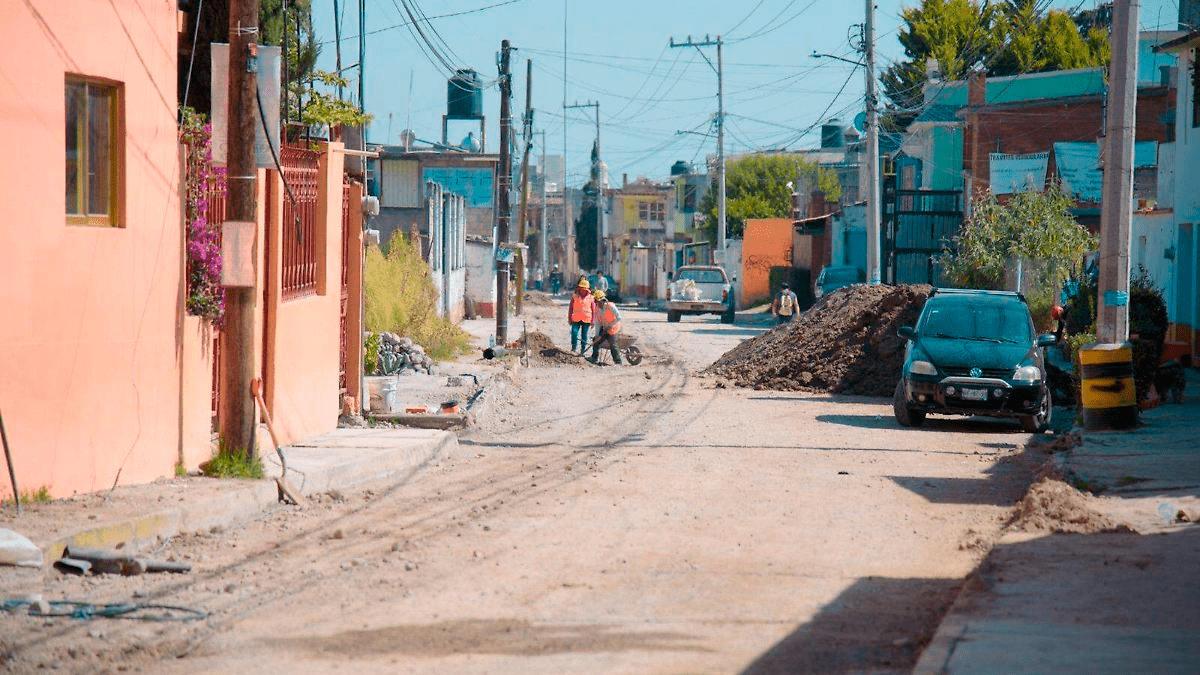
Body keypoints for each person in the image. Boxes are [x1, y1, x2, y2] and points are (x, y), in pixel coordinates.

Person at [588, 289, 623, 364]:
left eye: (598, 301)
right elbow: (597, 322)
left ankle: (618, 361)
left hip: (614, 328)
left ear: (603, 300)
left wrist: (610, 325)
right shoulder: (597, 309)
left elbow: (619, 317)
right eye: (596, 301)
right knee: (595, 341)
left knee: (612, 343)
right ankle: (594, 358)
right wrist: (597, 335)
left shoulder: (610, 306)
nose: (597, 303)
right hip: (604, 328)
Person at [567, 278, 597, 354]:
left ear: (588, 290)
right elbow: (571, 308)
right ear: (579, 289)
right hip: (576, 319)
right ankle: (574, 347)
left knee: (584, 335)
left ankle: (582, 350)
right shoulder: (574, 297)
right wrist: (570, 318)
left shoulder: (591, 298)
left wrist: (593, 321)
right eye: (581, 289)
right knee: (574, 332)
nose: (583, 291)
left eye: (584, 289)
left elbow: (594, 310)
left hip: (586, 319)